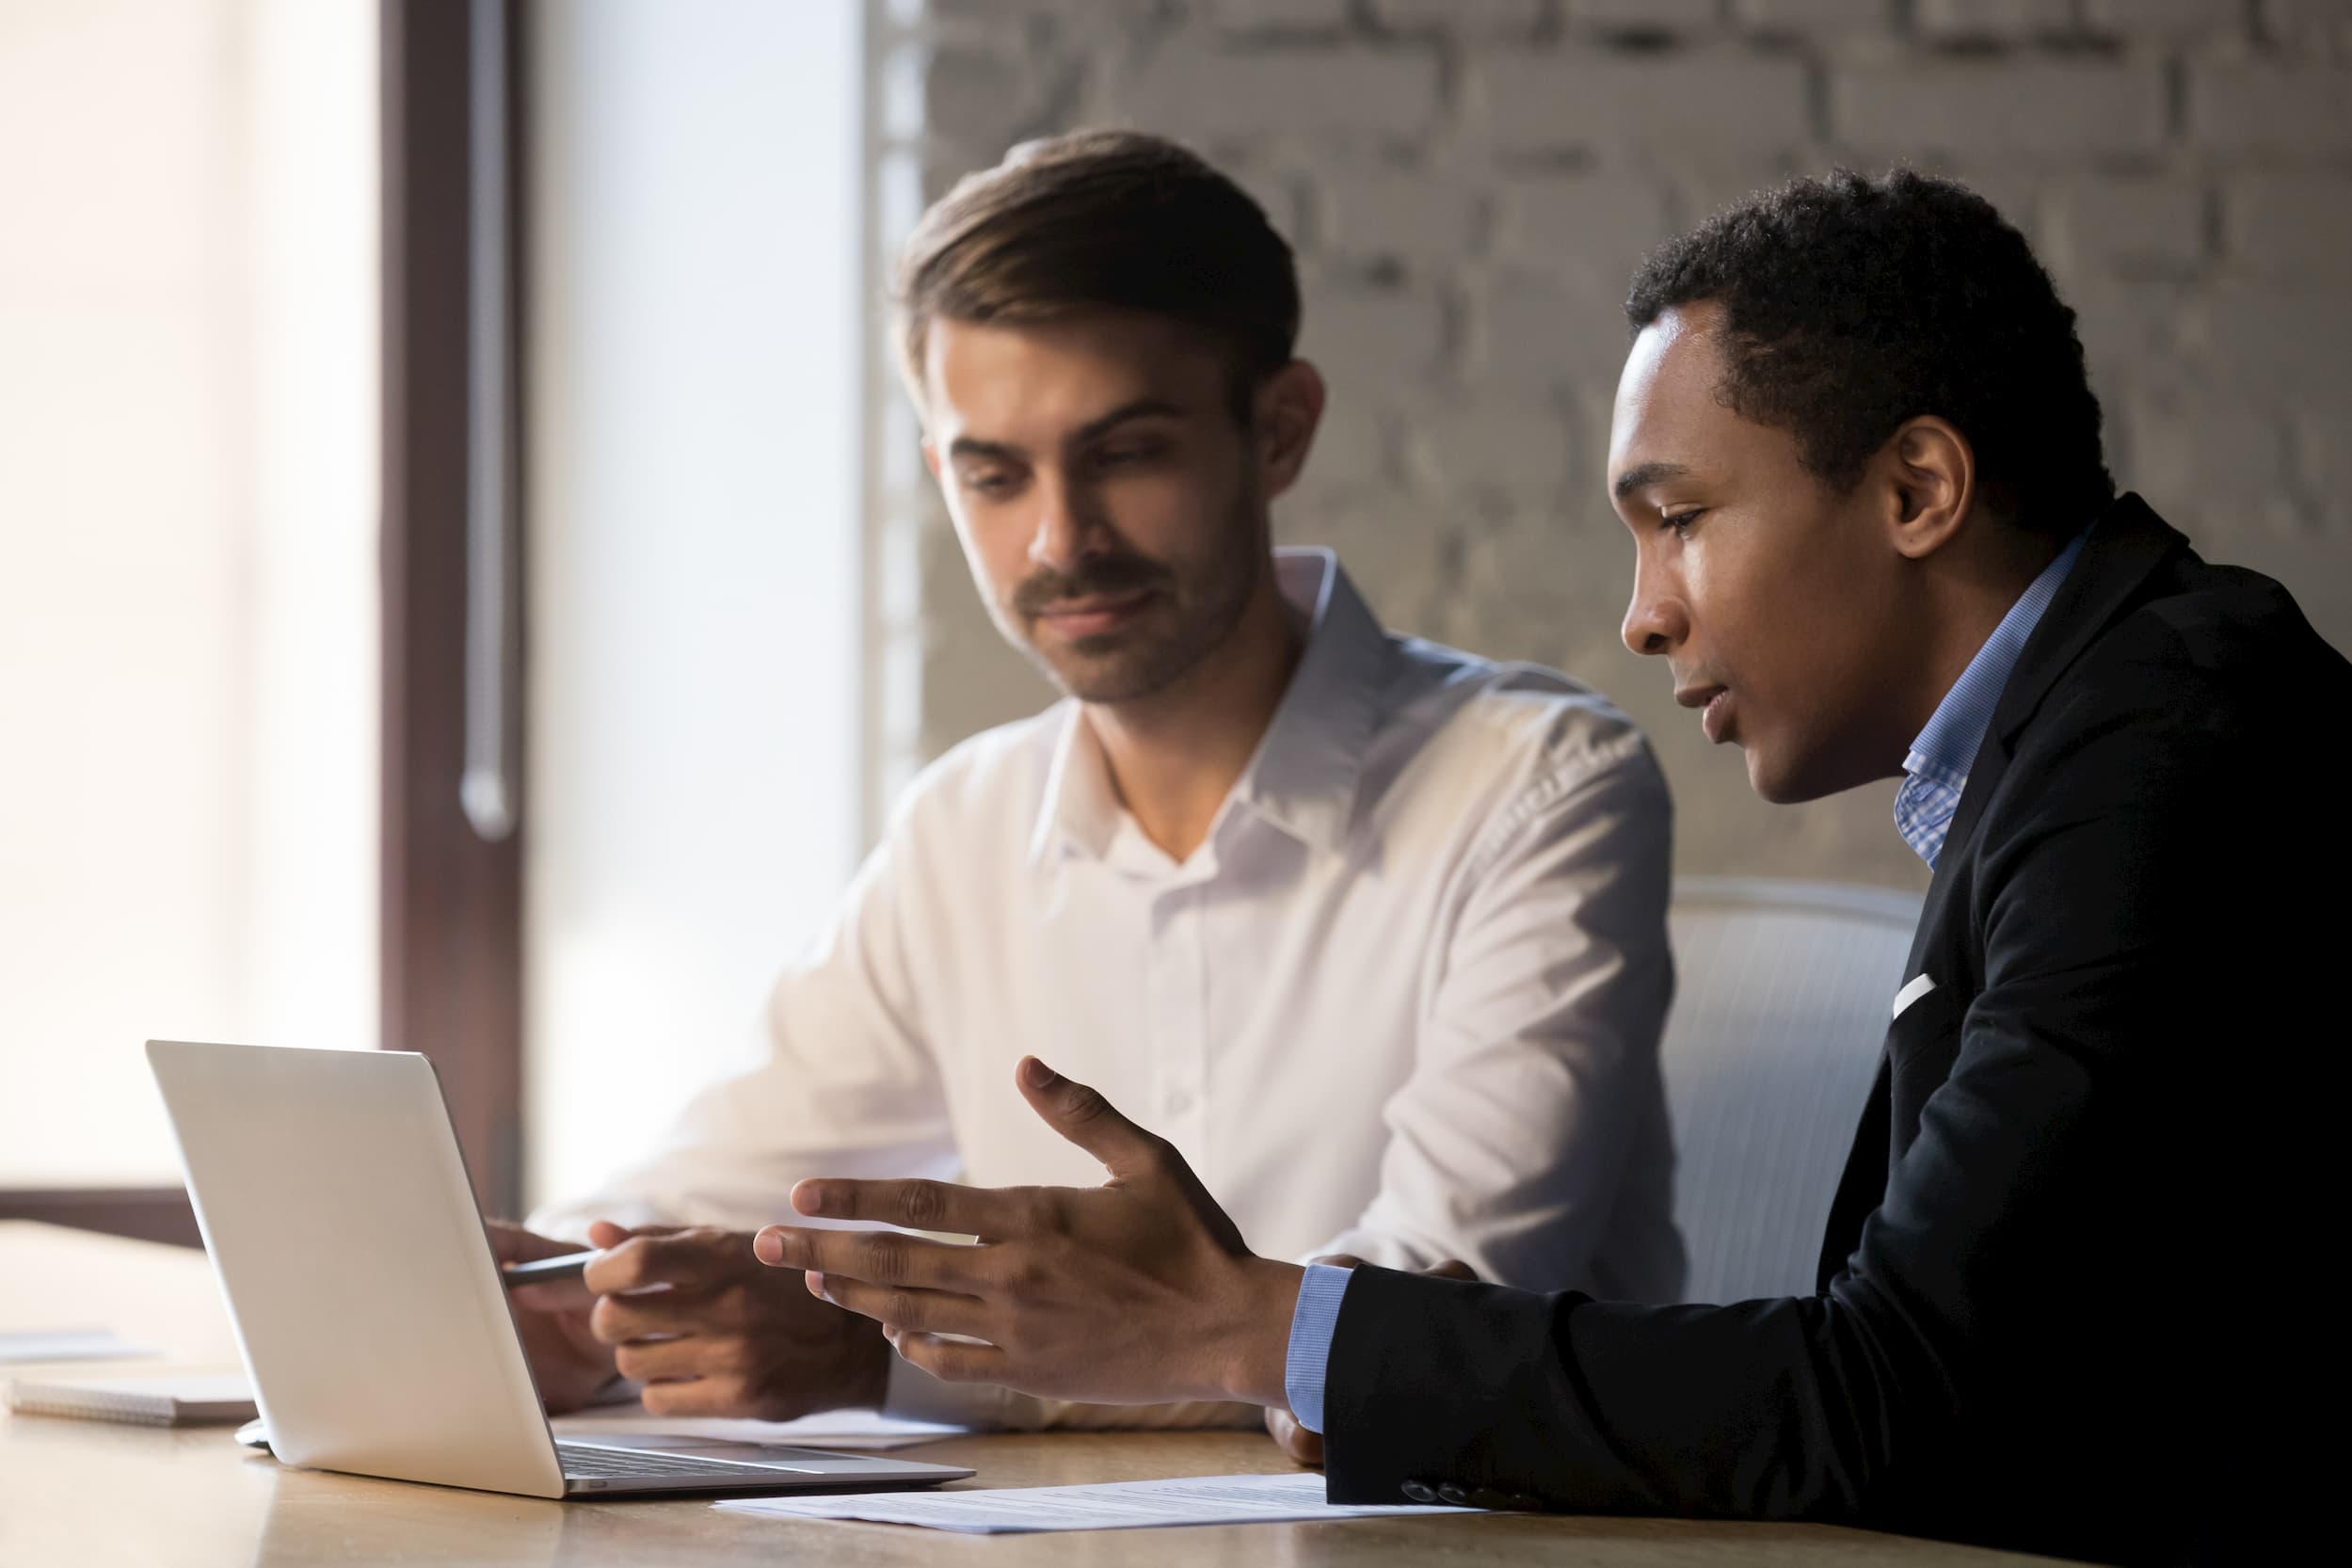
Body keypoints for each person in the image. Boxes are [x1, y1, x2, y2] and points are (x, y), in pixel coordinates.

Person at [755, 169, 2342, 1563]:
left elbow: (1894, 1397)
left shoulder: (2166, 752)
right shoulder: (2081, 728)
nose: (1644, 613)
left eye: (1682, 519)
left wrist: (1249, 1319)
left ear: (1918, 489)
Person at [495, 128, 1684, 1435]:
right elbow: (725, 1171)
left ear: (1278, 430)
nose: (1061, 540)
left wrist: (876, 1359)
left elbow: (1428, 1328)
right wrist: (567, 1296)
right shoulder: (967, 823)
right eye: (993, 475)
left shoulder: (1538, 787)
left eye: (1126, 454)